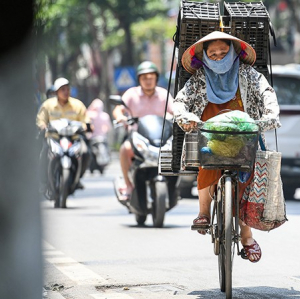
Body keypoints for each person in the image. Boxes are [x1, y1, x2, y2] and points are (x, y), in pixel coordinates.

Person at [173, 31, 281, 263]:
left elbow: (266, 93)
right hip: (210, 135)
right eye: (213, 53)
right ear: (206, 57)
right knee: (207, 165)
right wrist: (184, 116)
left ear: (233, 52)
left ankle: (246, 235)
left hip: (243, 135)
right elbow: (181, 100)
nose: (219, 57)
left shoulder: (247, 73)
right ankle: (203, 213)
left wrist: (271, 113)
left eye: (224, 52)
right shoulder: (200, 78)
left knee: (246, 181)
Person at [112, 61, 174, 200]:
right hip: (137, 137)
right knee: (124, 149)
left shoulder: (164, 94)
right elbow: (118, 109)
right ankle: (128, 185)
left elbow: (175, 110)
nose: (148, 81)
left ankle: (175, 187)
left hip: (161, 138)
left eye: (151, 77)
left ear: (156, 79)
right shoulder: (131, 94)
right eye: (144, 78)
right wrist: (121, 117)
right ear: (139, 79)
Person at [36, 77, 90, 190]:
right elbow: (41, 120)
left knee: (85, 152)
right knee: (43, 153)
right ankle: (43, 182)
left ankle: (78, 178)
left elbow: (86, 120)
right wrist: (43, 126)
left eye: (67, 89)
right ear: (56, 92)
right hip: (53, 139)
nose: (66, 92)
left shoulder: (77, 105)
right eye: (62, 89)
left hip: (73, 140)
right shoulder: (48, 105)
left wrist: (87, 126)